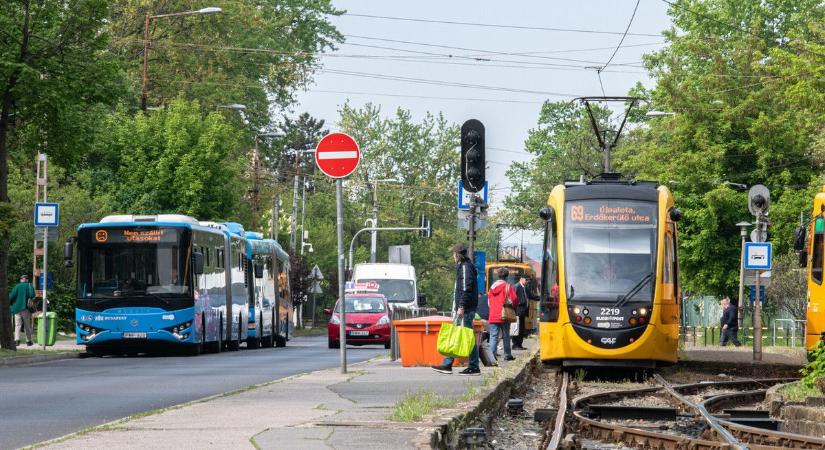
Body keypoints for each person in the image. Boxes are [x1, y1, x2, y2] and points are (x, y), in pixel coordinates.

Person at [432, 243, 480, 375]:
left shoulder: (465, 267)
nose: (453, 257)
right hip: (466, 307)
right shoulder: (465, 266)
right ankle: (459, 364)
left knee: (465, 336)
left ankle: (454, 364)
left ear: (458, 255)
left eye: (454, 254)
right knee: (466, 335)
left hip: (465, 308)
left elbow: (466, 288)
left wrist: (461, 306)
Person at [487, 267, 517, 361]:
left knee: (493, 336)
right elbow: (515, 300)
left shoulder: (491, 288)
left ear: (498, 276)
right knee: (506, 335)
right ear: (507, 276)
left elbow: (489, 303)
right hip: (504, 314)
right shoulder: (508, 287)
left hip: (493, 314)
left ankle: (492, 357)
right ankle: (507, 355)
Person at [9, 274, 35, 346]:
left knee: (17, 325)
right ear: (27, 280)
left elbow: (11, 296)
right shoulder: (29, 286)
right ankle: (28, 341)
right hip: (26, 308)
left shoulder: (17, 286)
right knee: (27, 325)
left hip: (16, 309)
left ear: (21, 280)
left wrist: (10, 304)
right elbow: (32, 295)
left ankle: (17, 340)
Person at [511, 275, 529, 350]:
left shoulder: (524, 287)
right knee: (517, 327)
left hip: (523, 310)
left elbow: (530, 295)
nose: (527, 281)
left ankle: (519, 344)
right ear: (521, 279)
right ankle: (515, 344)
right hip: (518, 310)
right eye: (526, 279)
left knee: (521, 328)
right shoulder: (517, 286)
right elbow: (513, 298)